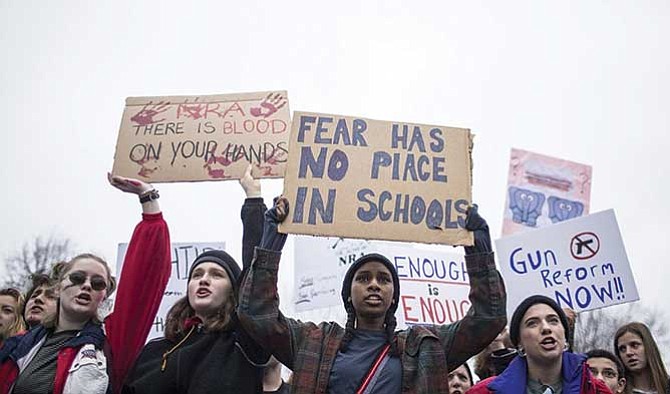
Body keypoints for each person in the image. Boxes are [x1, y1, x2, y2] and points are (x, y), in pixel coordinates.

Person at [238, 201, 507, 393]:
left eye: (384, 279)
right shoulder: (312, 341)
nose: (374, 285)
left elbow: (488, 319)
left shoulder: (425, 347)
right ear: (348, 295)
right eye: (364, 278)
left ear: (393, 298)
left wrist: (478, 254)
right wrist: (271, 245)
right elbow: (257, 315)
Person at [0, 174, 171, 394]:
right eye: (78, 278)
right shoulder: (18, 346)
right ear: (59, 286)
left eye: (98, 283)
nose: (87, 285)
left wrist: (148, 198)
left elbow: (147, 276)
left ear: (104, 296)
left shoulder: (111, 344)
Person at [123, 165, 269, 394]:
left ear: (234, 291)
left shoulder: (243, 345)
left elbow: (258, 273)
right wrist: (147, 195)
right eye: (197, 275)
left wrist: (254, 198)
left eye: (217, 275)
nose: (204, 280)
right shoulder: (155, 351)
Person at [468, 295, 611, 394]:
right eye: (532, 323)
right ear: (519, 343)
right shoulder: (486, 391)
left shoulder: (596, 390)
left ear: (565, 337)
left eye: (553, 320)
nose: (546, 328)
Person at [614, 322, 669, 394]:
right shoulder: (616, 391)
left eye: (634, 345)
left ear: (648, 347)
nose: (628, 352)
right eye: (622, 349)